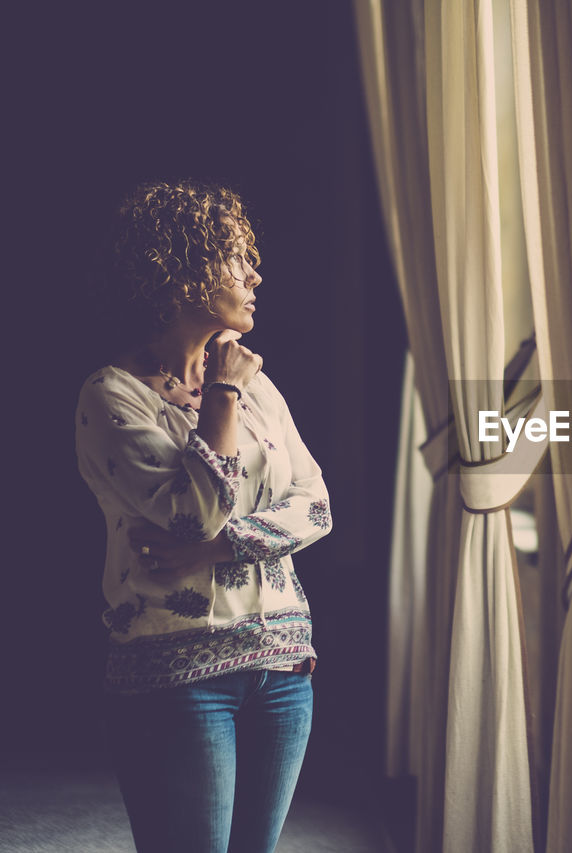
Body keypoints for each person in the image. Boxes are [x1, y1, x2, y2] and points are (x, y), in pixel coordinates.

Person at [75, 181, 333, 852]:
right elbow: (193, 516)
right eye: (232, 258)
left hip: (283, 670)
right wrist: (219, 391)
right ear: (182, 272)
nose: (253, 275)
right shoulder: (112, 396)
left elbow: (317, 505)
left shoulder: (259, 386)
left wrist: (227, 547)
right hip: (177, 679)